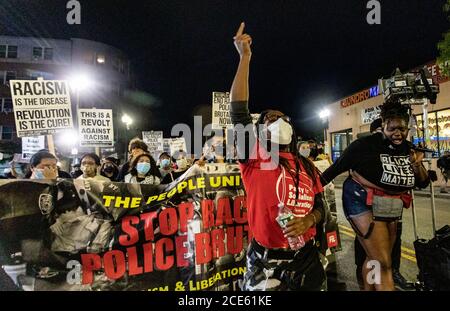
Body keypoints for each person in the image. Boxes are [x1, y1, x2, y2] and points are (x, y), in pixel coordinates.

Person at [230, 23, 326, 291]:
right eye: (270, 119)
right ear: (260, 130)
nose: (277, 121)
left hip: (305, 259)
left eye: (282, 118)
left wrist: (309, 220)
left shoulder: (306, 166)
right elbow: (238, 111)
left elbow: (322, 207)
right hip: (265, 261)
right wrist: (245, 57)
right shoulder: (255, 156)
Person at [321, 104, 429, 291]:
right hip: (361, 200)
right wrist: (305, 193)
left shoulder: (408, 149)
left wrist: (417, 164)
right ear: (384, 125)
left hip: (390, 206)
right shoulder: (364, 146)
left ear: (408, 128)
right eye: (392, 128)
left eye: (402, 129)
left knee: (373, 257)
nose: (397, 133)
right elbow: (331, 172)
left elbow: (423, 183)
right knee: (384, 263)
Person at [352, 117, 413, 290]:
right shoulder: (364, 151)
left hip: (391, 210)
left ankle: (371, 285)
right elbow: (356, 173)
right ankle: (367, 283)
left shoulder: (397, 151)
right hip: (367, 210)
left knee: (379, 259)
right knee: (379, 260)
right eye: (381, 133)